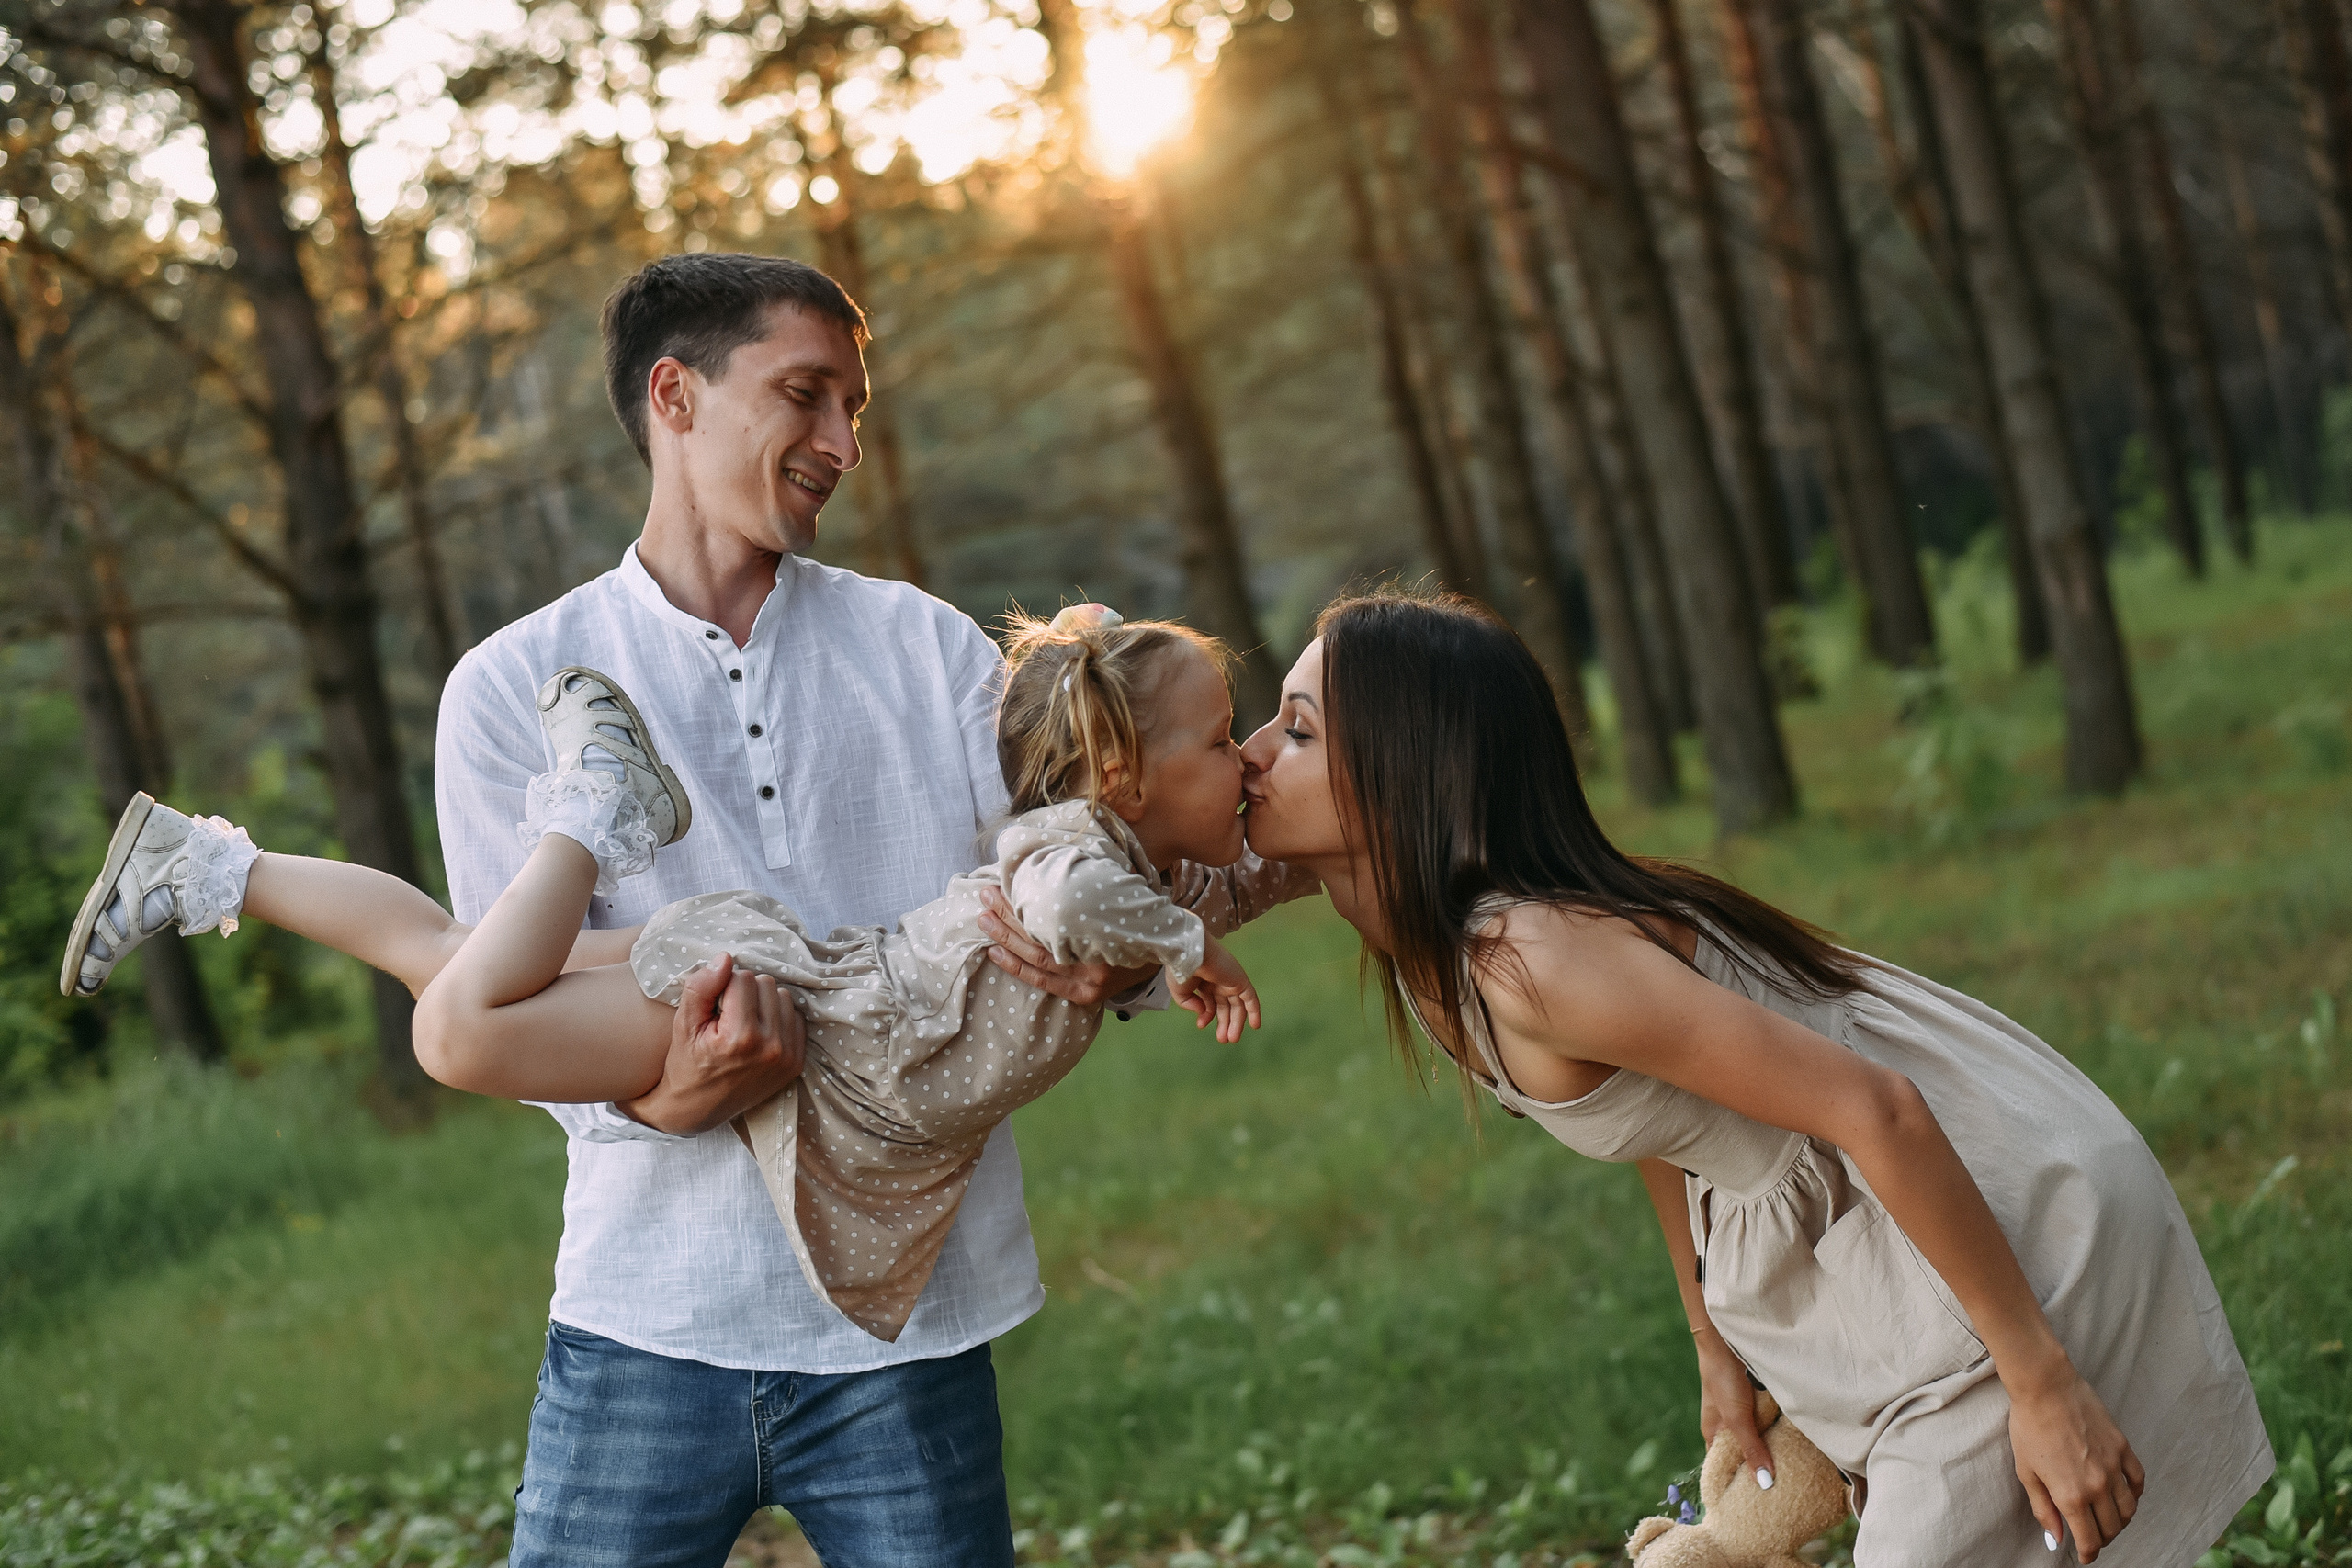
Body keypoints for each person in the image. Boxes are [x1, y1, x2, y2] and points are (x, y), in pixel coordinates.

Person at [1233, 588, 2271, 1568]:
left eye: (1299, 730)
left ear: (1411, 771)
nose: (1252, 752)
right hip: (1886, 1223)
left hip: (1986, 1225)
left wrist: (2041, 1381)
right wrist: (1712, 1341)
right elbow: (1652, 1114)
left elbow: (1879, 1108)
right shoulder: (1444, 952)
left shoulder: (1530, 956)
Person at [62, 608, 1310, 1347]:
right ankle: (595, 805)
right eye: (1226, 740)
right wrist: (1187, 949)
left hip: (805, 996)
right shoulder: (1074, 854)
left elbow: (1263, 868)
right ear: (1124, 774)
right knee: (455, 1031)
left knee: (449, 958)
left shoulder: (1146, 871)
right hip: (810, 1018)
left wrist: (1355, 817)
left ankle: (211, 866)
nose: (1250, 764)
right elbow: (1073, 903)